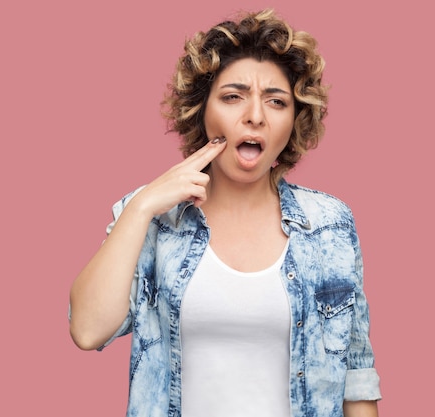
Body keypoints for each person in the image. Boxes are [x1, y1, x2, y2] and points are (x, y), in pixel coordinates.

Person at [69, 8, 381, 417]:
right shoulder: (154, 218)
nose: (254, 115)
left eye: (276, 101)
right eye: (233, 97)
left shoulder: (330, 224)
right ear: (202, 111)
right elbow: (88, 330)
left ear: (294, 120)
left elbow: (356, 380)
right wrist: (142, 205)